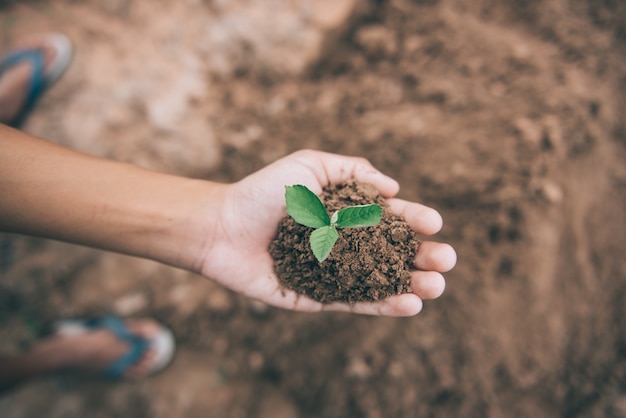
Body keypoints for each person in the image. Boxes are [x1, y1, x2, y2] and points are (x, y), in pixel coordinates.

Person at [0, 33, 456, 390]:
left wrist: (215, 221)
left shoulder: (345, 222)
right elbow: (324, 226)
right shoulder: (320, 226)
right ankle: (38, 361)